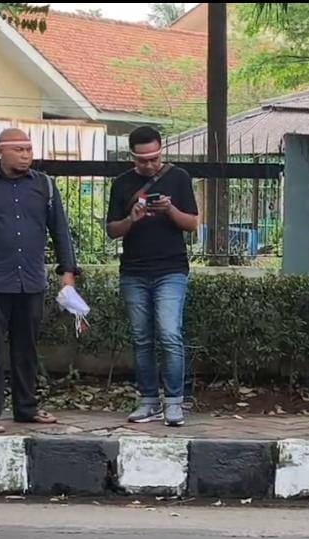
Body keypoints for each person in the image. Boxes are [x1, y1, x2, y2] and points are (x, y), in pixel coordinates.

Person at [0, 128, 79, 434]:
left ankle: (26, 408)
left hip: (31, 281)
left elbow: (60, 231)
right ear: (1, 152)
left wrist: (68, 272)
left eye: (29, 149)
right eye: (19, 150)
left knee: (27, 350)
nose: (26, 155)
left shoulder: (45, 186)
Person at [106, 126, 200, 427]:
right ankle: (148, 400)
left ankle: (174, 402)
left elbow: (192, 224)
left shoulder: (179, 178)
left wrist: (170, 209)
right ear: (131, 155)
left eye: (154, 158)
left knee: (170, 333)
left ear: (161, 151)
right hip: (134, 270)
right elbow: (111, 230)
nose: (149, 165)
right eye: (142, 159)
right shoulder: (121, 184)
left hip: (171, 268)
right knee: (141, 338)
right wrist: (131, 219)